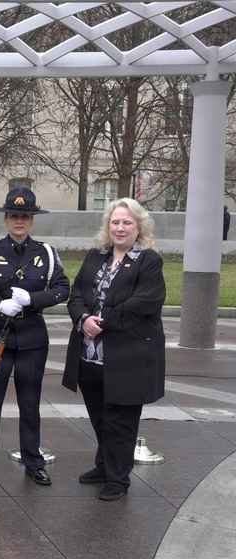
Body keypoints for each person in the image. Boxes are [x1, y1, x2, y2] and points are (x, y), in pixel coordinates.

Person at [62, 198, 165, 501]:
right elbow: (77, 291)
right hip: (90, 354)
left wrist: (102, 322)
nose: (120, 228)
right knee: (100, 415)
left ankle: (119, 478)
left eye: (127, 222)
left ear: (139, 227)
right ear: (108, 225)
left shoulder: (149, 261)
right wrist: (83, 319)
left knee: (121, 419)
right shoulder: (97, 255)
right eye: (115, 222)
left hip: (126, 358)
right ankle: (105, 465)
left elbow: (145, 302)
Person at [0, 188, 69, 485]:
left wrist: (34, 300)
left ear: (32, 220)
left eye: (25, 216)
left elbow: (63, 288)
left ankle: (33, 461)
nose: (19, 221)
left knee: (30, 402)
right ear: (6, 219)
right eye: (14, 216)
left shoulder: (47, 254)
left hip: (31, 338)